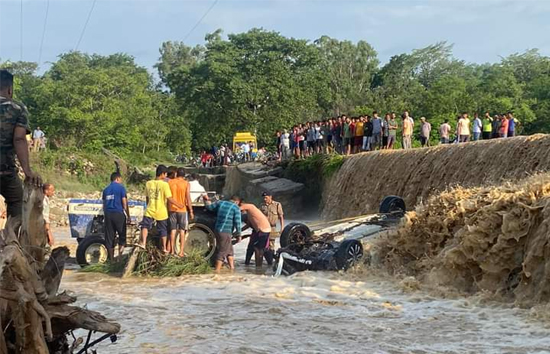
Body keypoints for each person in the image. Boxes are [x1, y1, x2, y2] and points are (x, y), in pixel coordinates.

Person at [0, 69, 41, 219]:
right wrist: (27, 171)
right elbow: (19, 139)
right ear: (10, 89)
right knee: (17, 201)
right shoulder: (17, 108)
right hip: (5, 172)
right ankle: (12, 238)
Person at [138, 165, 185, 252]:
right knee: (163, 230)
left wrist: (148, 205)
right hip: (161, 211)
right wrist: (179, 205)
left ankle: (143, 243)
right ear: (162, 174)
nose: (166, 176)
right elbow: (169, 198)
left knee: (145, 226)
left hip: (150, 209)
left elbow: (147, 198)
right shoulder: (164, 184)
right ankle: (164, 247)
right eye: (165, 174)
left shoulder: (148, 183)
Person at [204, 195, 242, 272]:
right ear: (236, 202)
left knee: (229, 250)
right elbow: (237, 223)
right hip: (226, 231)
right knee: (222, 251)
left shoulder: (220, 203)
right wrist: (239, 235)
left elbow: (209, 207)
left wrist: (206, 201)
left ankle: (232, 268)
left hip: (217, 230)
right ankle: (217, 271)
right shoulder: (235, 208)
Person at [102, 173, 130, 260]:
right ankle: (120, 257)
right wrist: (128, 216)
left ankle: (111, 259)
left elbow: (104, 205)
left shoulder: (106, 190)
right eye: (120, 179)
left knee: (110, 237)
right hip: (118, 214)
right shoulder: (121, 188)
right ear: (117, 179)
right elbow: (124, 203)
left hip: (108, 214)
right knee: (122, 235)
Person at [168, 168, 194, 257]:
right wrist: (191, 211)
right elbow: (188, 198)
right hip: (182, 210)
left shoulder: (170, 182)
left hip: (172, 209)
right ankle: (181, 252)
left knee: (172, 230)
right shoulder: (186, 183)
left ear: (176, 174)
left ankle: (171, 251)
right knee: (182, 231)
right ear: (184, 175)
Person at [240, 201, 273, 267]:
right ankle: (247, 263)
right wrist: (238, 231)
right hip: (257, 231)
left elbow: (236, 208)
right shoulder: (250, 214)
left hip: (263, 231)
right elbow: (248, 225)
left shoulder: (250, 206)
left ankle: (259, 267)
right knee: (251, 247)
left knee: (259, 249)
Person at [260, 192, 284, 261]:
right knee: (263, 244)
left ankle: (271, 260)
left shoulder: (277, 205)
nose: (265, 199)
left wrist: (282, 228)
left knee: (271, 244)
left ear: (270, 197)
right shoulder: (262, 206)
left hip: (272, 228)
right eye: (264, 198)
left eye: (266, 197)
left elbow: (281, 217)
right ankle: (266, 259)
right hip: (264, 227)